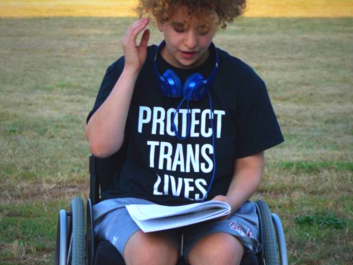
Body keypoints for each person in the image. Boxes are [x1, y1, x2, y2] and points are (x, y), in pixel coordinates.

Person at [85, 0, 284, 264]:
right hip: (135, 208)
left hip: (214, 211)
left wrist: (228, 204)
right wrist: (131, 70)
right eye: (179, 28)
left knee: (219, 255)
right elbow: (100, 146)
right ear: (160, 21)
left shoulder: (242, 81)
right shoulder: (126, 71)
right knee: (151, 255)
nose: (191, 42)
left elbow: (250, 165)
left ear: (219, 22)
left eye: (203, 30)